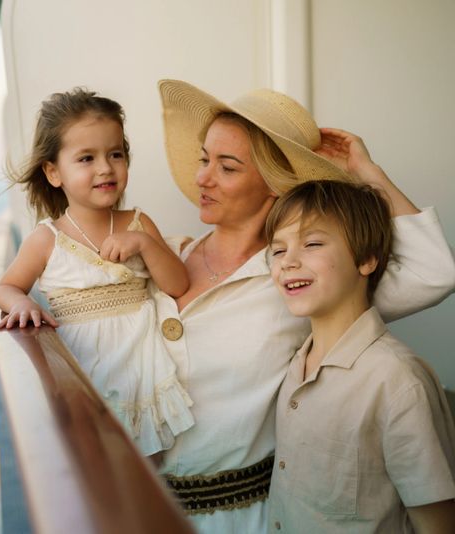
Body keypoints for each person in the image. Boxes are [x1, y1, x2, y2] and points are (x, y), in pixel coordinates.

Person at [153, 79, 455, 532]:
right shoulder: (165, 255)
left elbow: (435, 273)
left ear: (274, 185)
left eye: (227, 166)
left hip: (244, 519)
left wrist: (370, 175)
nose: (202, 177)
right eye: (204, 159)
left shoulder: (298, 281)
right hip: (143, 509)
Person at [0, 88, 196, 457]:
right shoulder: (47, 238)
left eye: (115, 154)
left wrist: (146, 244)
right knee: (98, 462)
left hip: (141, 368)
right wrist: (21, 303)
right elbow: (6, 286)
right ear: (54, 172)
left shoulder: (138, 223)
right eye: (86, 158)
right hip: (86, 370)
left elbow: (178, 284)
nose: (105, 167)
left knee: (149, 464)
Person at [265, 179, 455, 533]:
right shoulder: (294, 365)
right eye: (277, 250)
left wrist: (368, 173)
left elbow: (437, 524)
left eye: (313, 243)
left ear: (367, 258)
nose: (288, 262)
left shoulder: (397, 381)